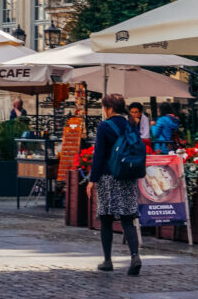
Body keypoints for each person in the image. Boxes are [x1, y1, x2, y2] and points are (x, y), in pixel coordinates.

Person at [86, 93, 142, 276]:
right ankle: (135, 256)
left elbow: (99, 155)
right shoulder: (131, 123)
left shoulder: (104, 125)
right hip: (128, 176)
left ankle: (108, 261)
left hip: (108, 177)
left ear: (109, 108)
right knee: (128, 218)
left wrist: (92, 180)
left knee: (106, 218)